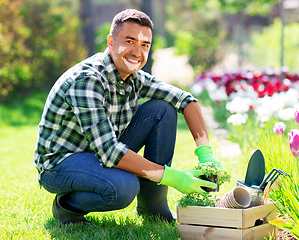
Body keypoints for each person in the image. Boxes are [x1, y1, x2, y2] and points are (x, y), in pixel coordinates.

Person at [34, 9, 223, 225]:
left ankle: (154, 207)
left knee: (163, 109)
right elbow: (109, 152)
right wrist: (173, 177)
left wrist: (205, 153)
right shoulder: (87, 80)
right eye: (129, 41)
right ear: (111, 42)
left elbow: (185, 100)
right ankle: (67, 206)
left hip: (98, 152)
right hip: (61, 163)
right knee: (124, 187)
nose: (137, 52)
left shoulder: (134, 77)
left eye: (145, 45)